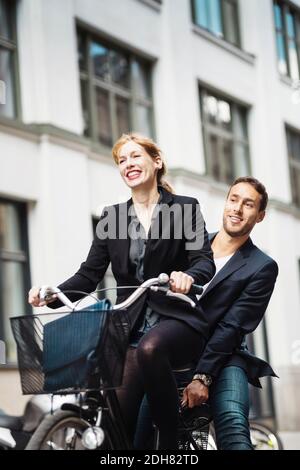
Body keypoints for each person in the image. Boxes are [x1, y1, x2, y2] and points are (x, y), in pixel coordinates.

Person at [28, 133, 216, 450]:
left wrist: (186, 276)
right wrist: (52, 293)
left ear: (156, 162)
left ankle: (172, 440)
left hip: (176, 319)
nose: (127, 163)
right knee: (119, 427)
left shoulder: (184, 208)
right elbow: (89, 275)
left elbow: (203, 262)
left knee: (150, 348)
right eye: (121, 160)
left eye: (134, 156)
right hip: (128, 324)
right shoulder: (112, 217)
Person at [134, 176, 279, 450]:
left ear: (259, 216)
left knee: (233, 422)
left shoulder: (262, 266)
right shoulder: (194, 244)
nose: (237, 209)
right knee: (141, 433)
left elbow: (233, 326)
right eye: (233, 199)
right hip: (176, 355)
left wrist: (203, 376)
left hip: (224, 358)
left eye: (248, 204)